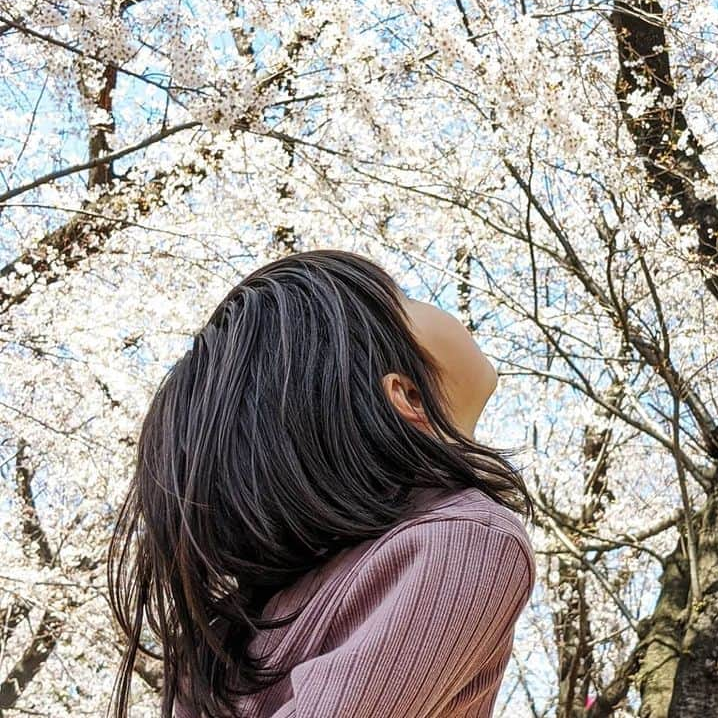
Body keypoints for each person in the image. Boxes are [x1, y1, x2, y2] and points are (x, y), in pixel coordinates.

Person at [107, 249, 536, 717]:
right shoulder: (465, 539)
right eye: (403, 300)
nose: (424, 303)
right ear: (407, 395)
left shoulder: (235, 628)